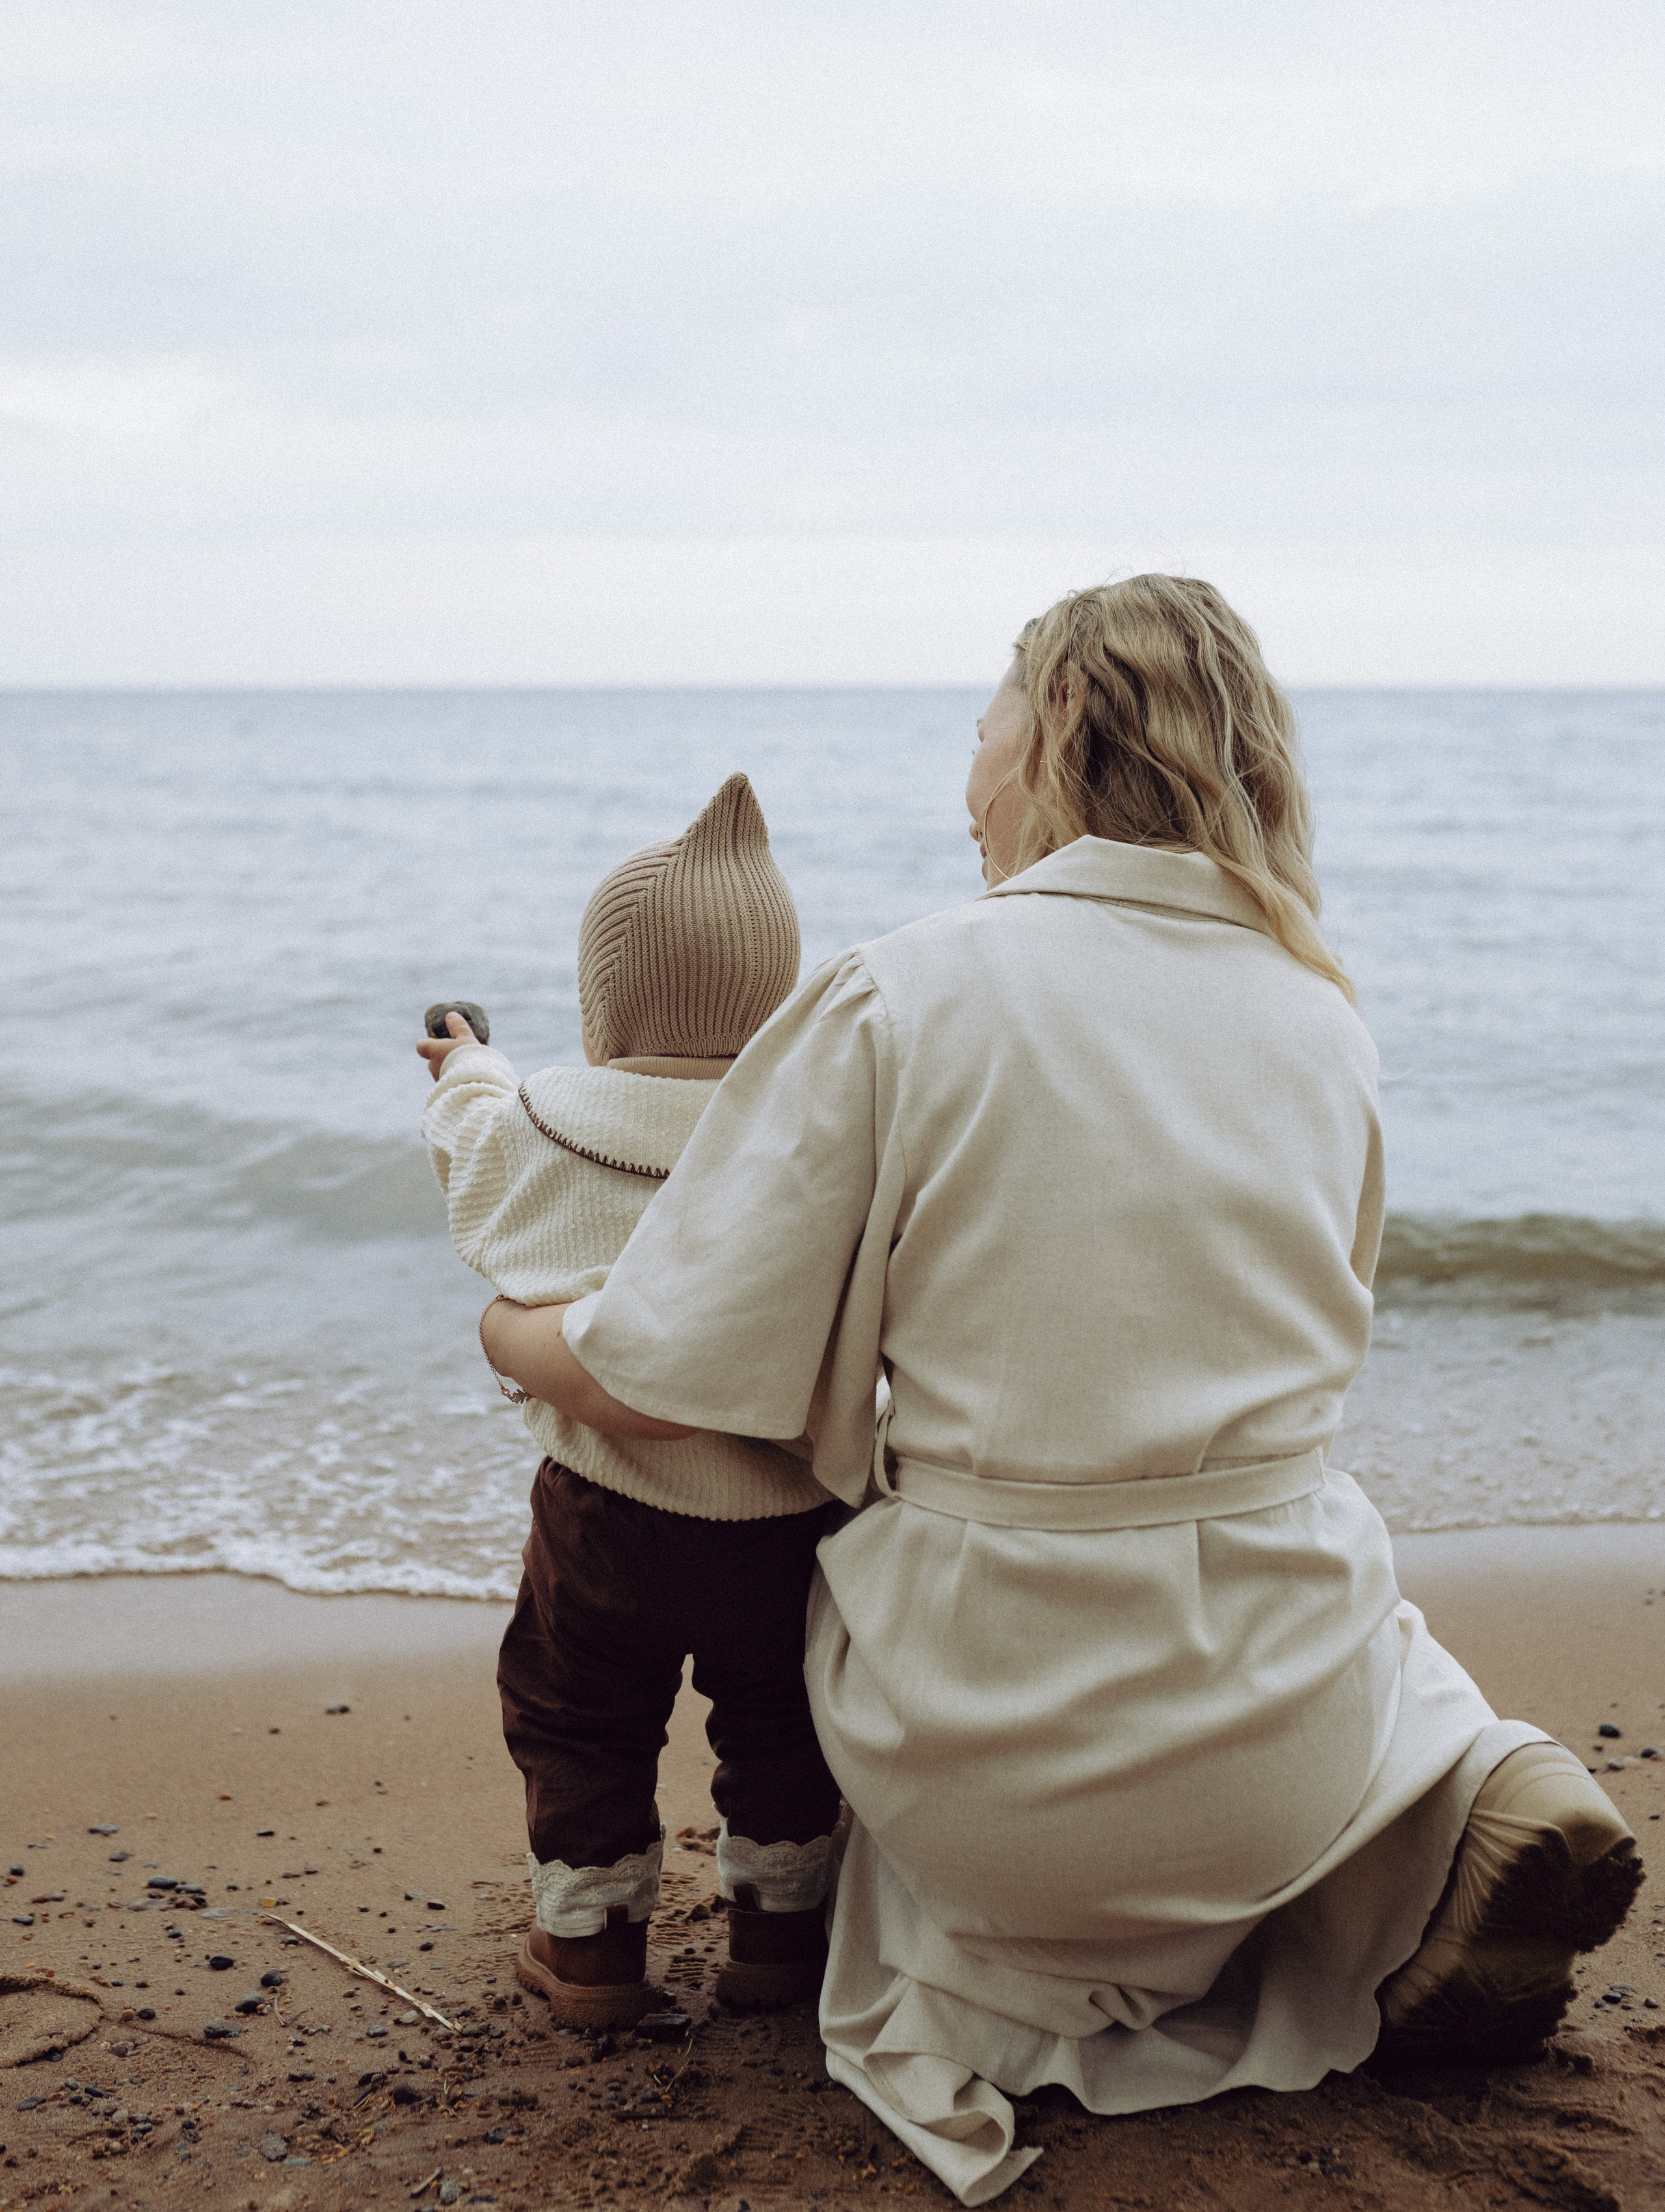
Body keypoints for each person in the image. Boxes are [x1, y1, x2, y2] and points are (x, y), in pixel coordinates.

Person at [479, 580, 1640, 2206]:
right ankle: (1433, 1818)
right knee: (1356, 1621)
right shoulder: (1321, 1015)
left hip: (997, 1745)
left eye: (978, 730)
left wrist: (514, 1333)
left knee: (924, 1819)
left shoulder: (903, 993)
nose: (963, 780)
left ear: (1059, 735)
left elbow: (670, 1374)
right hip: (1273, 1706)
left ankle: (1206, 1911)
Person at [419, 773, 841, 2030]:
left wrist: (469, 1060)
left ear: (602, 1004)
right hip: (790, 1516)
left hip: (605, 1512)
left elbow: (472, 1144)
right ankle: (780, 1942)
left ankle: (591, 1955)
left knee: (578, 1715)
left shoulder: (550, 1116)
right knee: (784, 1724)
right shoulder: (815, 1132)